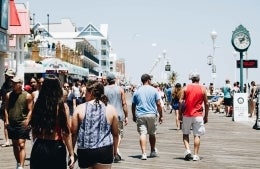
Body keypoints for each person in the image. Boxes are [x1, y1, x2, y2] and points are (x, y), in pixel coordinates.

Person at [71, 80, 119, 169]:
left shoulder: (79, 108)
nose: (84, 95)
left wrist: (71, 153)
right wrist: (115, 151)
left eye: (86, 92)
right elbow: (115, 134)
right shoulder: (111, 109)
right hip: (105, 150)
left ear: (91, 93)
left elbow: (74, 133)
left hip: (85, 151)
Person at [29, 76, 75, 169]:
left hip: (39, 145)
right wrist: (71, 153)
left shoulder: (38, 104)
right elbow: (66, 132)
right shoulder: (62, 106)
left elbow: (34, 128)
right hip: (56, 146)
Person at [131, 74, 163, 160]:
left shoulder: (137, 91)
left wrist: (133, 115)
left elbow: (133, 105)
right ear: (148, 80)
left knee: (142, 133)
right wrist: (161, 115)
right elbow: (159, 104)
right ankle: (152, 151)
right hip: (152, 114)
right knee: (152, 133)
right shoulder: (154, 90)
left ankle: (144, 153)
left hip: (140, 115)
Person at [4, 76, 33, 169]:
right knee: (15, 145)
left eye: (15, 83)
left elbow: (30, 110)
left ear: (20, 84)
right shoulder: (9, 95)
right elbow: (6, 108)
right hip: (12, 123)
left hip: (22, 123)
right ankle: (18, 162)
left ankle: (21, 166)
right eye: (12, 83)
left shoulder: (27, 96)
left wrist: (27, 120)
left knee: (21, 144)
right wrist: (7, 120)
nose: (13, 84)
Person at [179, 72, 209, 161]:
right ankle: (196, 155)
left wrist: (180, 114)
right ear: (199, 79)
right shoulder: (203, 89)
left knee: (185, 134)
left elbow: (181, 102)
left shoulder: (185, 88)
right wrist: (206, 115)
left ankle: (188, 150)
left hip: (187, 115)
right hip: (198, 115)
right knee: (197, 135)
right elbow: (206, 103)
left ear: (191, 79)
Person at [104, 73, 128, 162]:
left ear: (107, 80)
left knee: (108, 133)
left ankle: (112, 150)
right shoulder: (120, 89)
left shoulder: (103, 89)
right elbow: (124, 103)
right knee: (119, 133)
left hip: (106, 114)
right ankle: (116, 148)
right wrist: (126, 116)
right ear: (115, 80)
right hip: (118, 115)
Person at [0, 69, 15, 147]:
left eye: (7, 75)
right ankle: (7, 141)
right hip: (4, 106)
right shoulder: (4, 84)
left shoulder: (14, 85)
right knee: (6, 124)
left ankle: (12, 140)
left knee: (11, 124)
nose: (6, 77)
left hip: (13, 107)